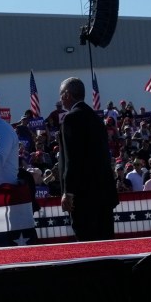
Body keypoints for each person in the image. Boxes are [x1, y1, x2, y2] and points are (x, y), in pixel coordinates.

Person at [54, 78, 118, 243]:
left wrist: (68, 192)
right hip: (103, 193)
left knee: (89, 246)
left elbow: (71, 158)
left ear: (67, 94)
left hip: (83, 197)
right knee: (107, 245)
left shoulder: (71, 118)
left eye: (61, 95)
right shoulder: (95, 118)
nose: (60, 99)